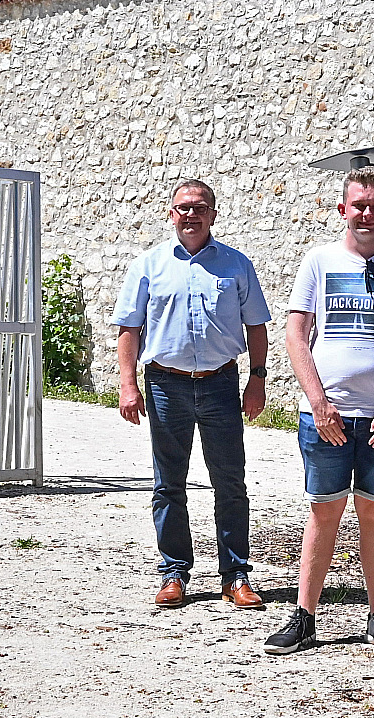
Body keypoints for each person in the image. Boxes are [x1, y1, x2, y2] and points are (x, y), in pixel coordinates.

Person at [263, 167, 374, 657]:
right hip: (326, 416)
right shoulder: (318, 262)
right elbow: (296, 335)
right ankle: (304, 617)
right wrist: (317, 401)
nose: (366, 214)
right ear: (342, 209)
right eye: (358, 204)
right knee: (324, 512)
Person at [114, 179, 272, 610]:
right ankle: (174, 574)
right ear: (171, 213)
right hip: (166, 385)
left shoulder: (236, 265)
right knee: (169, 485)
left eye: (200, 207)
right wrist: (129, 384)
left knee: (230, 482)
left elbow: (256, 324)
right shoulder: (148, 265)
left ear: (213, 215)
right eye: (183, 208)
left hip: (222, 383)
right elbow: (129, 327)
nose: (191, 215)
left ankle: (235, 576)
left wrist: (256, 379)